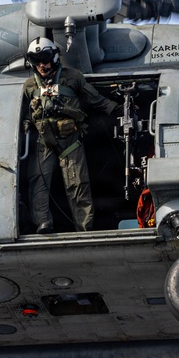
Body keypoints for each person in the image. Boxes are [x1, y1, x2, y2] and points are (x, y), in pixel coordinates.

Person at [23, 38, 120, 233]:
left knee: (78, 185)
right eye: (37, 60)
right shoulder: (29, 86)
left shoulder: (73, 77)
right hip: (44, 142)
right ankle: (43, 222)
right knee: (38, 183)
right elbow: (26, 115)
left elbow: (96, 100)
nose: (42, 65)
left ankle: (84, 228)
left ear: (55, 56)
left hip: (71, 142)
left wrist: (117, 109)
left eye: (45, 58)